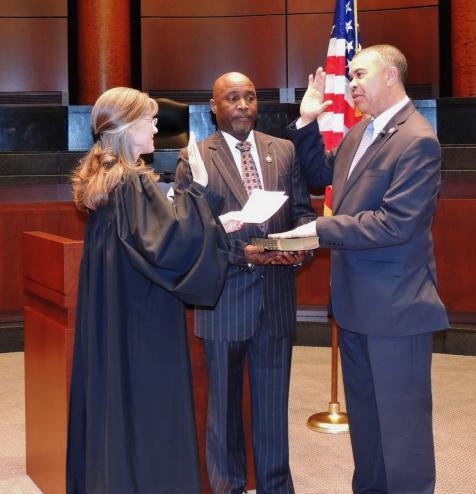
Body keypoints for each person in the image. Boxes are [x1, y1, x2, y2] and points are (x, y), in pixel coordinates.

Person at [271, 45, 449, 494]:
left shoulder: (418, 139)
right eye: (349, 75)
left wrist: (321, 229)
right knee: (368, 427)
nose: (350, 83)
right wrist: (308, 122)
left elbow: (397, 222)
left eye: (359, 74)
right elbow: (322, 175)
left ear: (391, 75)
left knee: (401, 432)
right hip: (354, 307)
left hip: (395, 310)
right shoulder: (361, 132)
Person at [67, 87, 238, 494]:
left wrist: (208, 224)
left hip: (118, 312)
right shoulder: (131, 183)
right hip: (143, 318)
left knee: (116, 404)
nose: (157, 126)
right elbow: (170, 246)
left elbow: (156, 235)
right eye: (150, 119)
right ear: (126, 127)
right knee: (148, 408)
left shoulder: (108, 181)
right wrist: (198, 188)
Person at [175, 72, 316, 494]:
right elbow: (191, 233)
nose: (242, 105)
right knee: (224, 412)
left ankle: (276, 488)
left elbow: (304, 214)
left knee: (273, 409)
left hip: (274, 297)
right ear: (214, 108)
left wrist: (301, 248)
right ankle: (228, 489)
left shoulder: (284, 150)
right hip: (223, 301)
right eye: (231, 98)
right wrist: (244, 253)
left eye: (249, 97)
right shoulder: (195, 157)